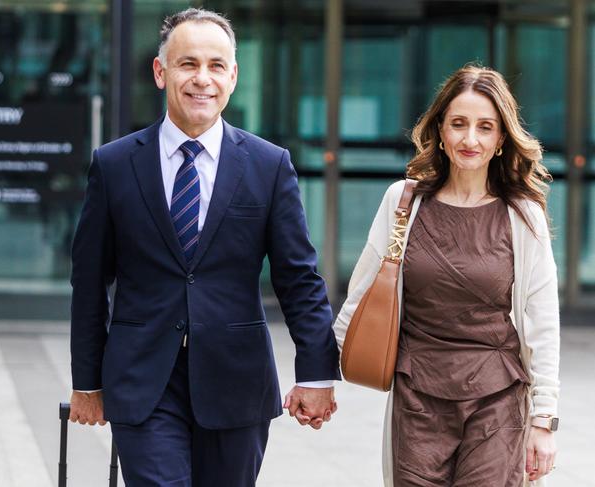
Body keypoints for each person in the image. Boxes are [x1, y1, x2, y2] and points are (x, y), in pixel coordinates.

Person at [68, 8, 340, 487]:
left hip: (237, 383)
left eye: (216, 66)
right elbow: (89, 282)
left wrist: (316, 374)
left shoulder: (268, 165)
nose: (202, 79)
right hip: (143, 380)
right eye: (187, 63)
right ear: (161, 72)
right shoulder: (112, 166)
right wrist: (87, 381)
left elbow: (299, 277)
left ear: (233, 77)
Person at [333, 65, 560, 487]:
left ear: (500, 140)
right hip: (418, 398)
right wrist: (320, 377)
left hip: (498, 399)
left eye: (484, 127)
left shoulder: (522, 215)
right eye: (458, 124)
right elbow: (361, 298)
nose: (469, 139)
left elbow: (542, 322)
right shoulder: (403, 203)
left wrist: (544, 419)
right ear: (440, 130)